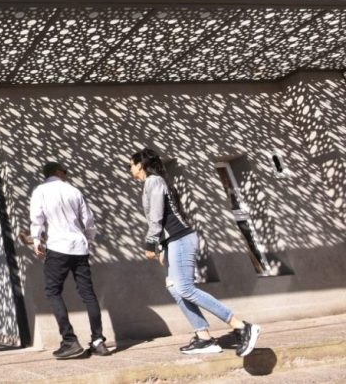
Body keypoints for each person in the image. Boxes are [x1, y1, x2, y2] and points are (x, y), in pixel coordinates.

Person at [129, 148, 262, 356]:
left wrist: (150, 244)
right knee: (175, 288)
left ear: (140, 165)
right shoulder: (154, 182)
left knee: (184, 288)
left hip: (180, 239)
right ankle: (204, 337)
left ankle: (241, 326)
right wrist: (163, 247)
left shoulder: (153, 181)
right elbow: (165, 216)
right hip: (173, 242)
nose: (130, 169)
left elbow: (156, 216)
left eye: (131, 165)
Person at [30, 161, 112, 359]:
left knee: (53, 291)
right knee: (88, 293)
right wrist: (88, 240)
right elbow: (88, 220)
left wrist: (36, 240)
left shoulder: (40, 191)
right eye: (65, 171)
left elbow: (37, 218)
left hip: (58, 247)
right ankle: (98, 341)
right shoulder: (74, 191)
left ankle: (69, 341)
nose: (67, 175)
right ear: (58, 172)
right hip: (79, 248)